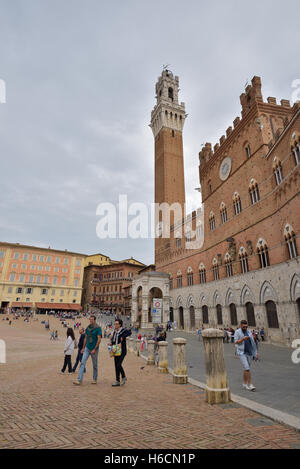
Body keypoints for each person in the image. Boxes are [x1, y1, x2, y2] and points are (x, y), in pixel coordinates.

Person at [73, 315, 102, 385]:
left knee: (94, 365)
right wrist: (83, 348)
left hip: (94, 349)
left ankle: (95, 379)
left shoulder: (98, 328)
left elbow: (99, 339)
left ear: (94, 320)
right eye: (90, 319)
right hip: (87, 348)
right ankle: (79, 380)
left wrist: (95, 349)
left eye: (92, 319)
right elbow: (86, 338)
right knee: (82, 362)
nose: (91, 321)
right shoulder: (88, 328)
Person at [234, 320, 259, 391]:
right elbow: (235, 342)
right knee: (247, 368)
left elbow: (253, 343)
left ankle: (244, 383)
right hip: (242, 352)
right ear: (241, 325)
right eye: (244, 326)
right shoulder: (237, 332)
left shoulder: (249, 332)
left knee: (246, 369)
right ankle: (250, 384)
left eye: (246, 326)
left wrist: (256, 352)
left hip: (249, 352)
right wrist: (242, 339)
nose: (245, 327)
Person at [110, 318, 132, 387]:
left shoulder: (123, 331)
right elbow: (114, 340)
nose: (115, 325)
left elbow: (129, 332)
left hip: (122, 351)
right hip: (115, 349)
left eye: (116, 324)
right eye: (115, 324)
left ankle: (124, 376)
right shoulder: (115, 331)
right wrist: (111, 343)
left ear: (120, 325)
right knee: (116, 365)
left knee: (119, 364)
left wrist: (123, 337)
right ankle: (117, 380)